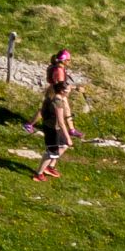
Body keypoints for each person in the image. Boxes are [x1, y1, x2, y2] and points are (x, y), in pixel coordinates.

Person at [34, 50, 76, 179]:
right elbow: (61, 121)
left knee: (63, 146)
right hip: (53, 128)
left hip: (56, 127)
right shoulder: (58, 102)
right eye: (68, 60)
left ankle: (50, 167)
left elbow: (61, 85)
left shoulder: (58, 94)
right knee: (51, 152)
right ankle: (39, 174)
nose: (69, 92)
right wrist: (68, 136)